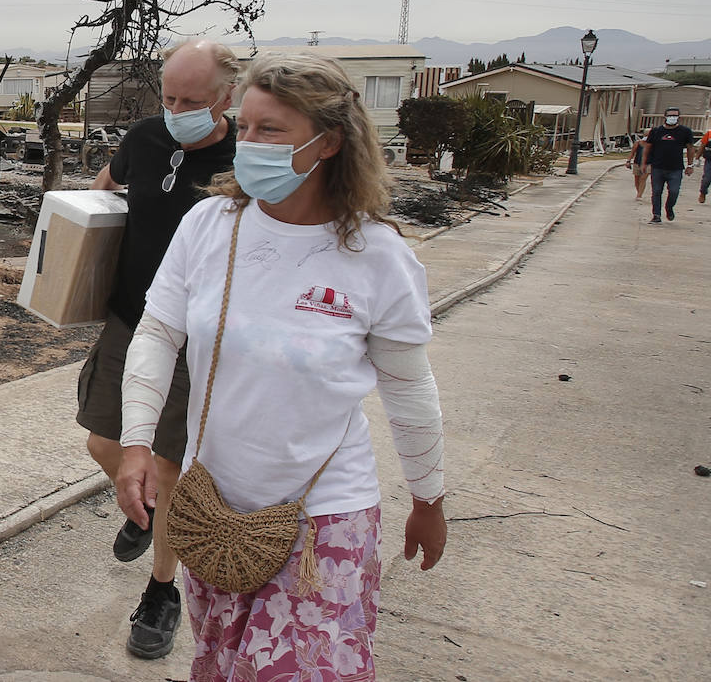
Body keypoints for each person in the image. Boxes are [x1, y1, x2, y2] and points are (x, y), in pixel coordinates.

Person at [115, 52, 445, 681]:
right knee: (220, 666)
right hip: (212, 508)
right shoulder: (210, 224)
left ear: (329, 142)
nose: (249, 144)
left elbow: (409, 388)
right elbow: (158, 333)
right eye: (245, 127)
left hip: (325, 519)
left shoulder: (376, 256)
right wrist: (136, 443)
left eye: (272, 130)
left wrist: (428, 496)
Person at [80, 38, 239, 659]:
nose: (177, 109)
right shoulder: (146, 137)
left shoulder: (242, 154)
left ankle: (162, 592)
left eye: (191, 100)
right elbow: (105, 189)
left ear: (225, 97)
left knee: (168, 466)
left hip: (193, 335)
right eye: (169, 96)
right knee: (102, 440)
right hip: (129, 318)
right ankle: (143, 505)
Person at [642, 107, 695, 223]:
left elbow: (691, 148)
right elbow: (647, 147)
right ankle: (656, 214)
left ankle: (669, 207)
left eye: (675, 115)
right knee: (656, 191)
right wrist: (644, 163)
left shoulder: (685, 131)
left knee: (674, 191)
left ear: (679, 117)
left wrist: (690, 165)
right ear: (665, 117)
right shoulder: (656, 131)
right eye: (670, 115)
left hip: (675, 168)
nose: (672, 118)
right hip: (658, 167)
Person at [626, 129, 649, 200]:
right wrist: (628, 161)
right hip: (637, 163)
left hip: (647, 164)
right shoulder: (638, 143)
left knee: (643, 178)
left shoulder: (653, 144)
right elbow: (632, 152)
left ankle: (639, 195)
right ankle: (639, 192)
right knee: (637, 179)